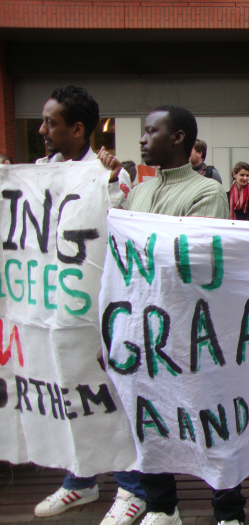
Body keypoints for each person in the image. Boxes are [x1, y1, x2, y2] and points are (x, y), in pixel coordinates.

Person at [124, 105, 244, 525]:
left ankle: (228, 511)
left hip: (191, 331)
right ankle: (161, 506)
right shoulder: (137, 193)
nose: (141, 139)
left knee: (210, 420)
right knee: (149, 419)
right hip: (141, 328)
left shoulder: (206, 193)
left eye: (149, 131)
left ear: (177, 138)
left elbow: (196, 264)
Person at [30, 86, 139, 525]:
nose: (42, 130)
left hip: (96, 313)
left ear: (78, 129)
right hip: (53, 310)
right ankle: (80, 480)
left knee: (109, 397)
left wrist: (110, 180)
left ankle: (132, 489)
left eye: (50, 123)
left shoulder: (109, 178)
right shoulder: (37, 174)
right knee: (66, 391)